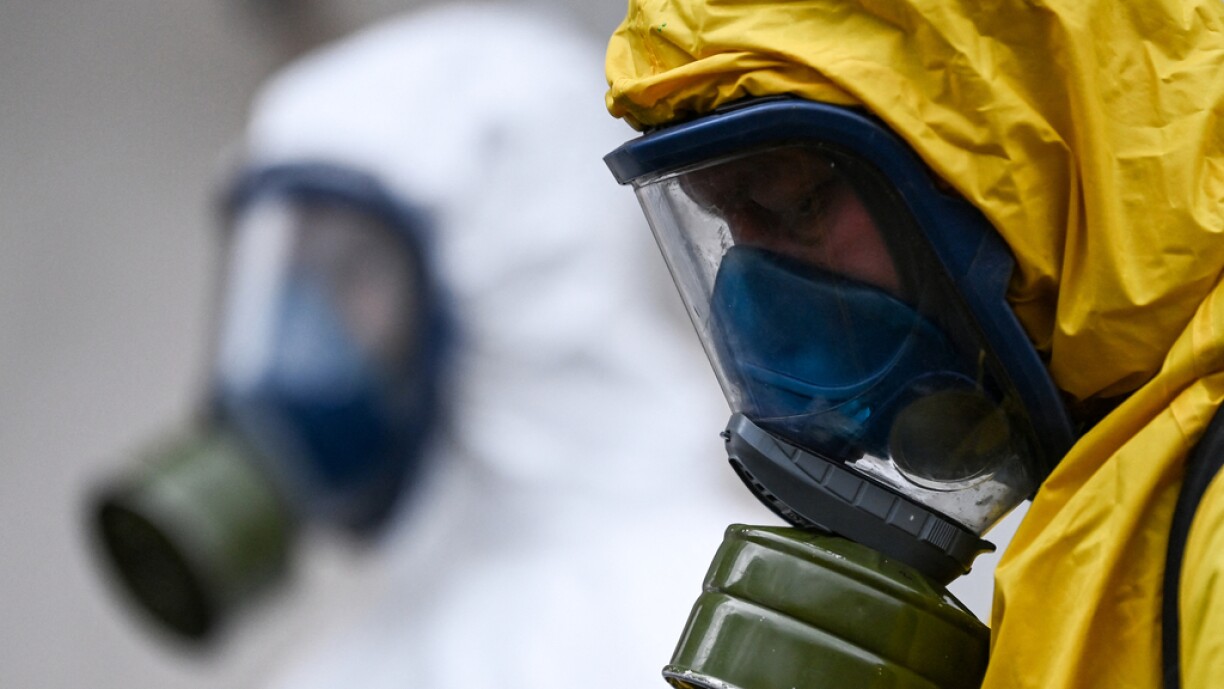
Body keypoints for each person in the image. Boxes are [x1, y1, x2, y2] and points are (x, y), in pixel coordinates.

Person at [88, 3, 764, 686]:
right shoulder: (346, 667)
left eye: (348, 271)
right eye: (293, 278)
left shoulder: (727, 627)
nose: (312, 322)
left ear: (512, 262)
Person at [599, 1, 1224, 688]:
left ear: (1018, 161)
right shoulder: (1119, 468)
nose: (755, 288)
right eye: (724, 220)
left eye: (801, 205)